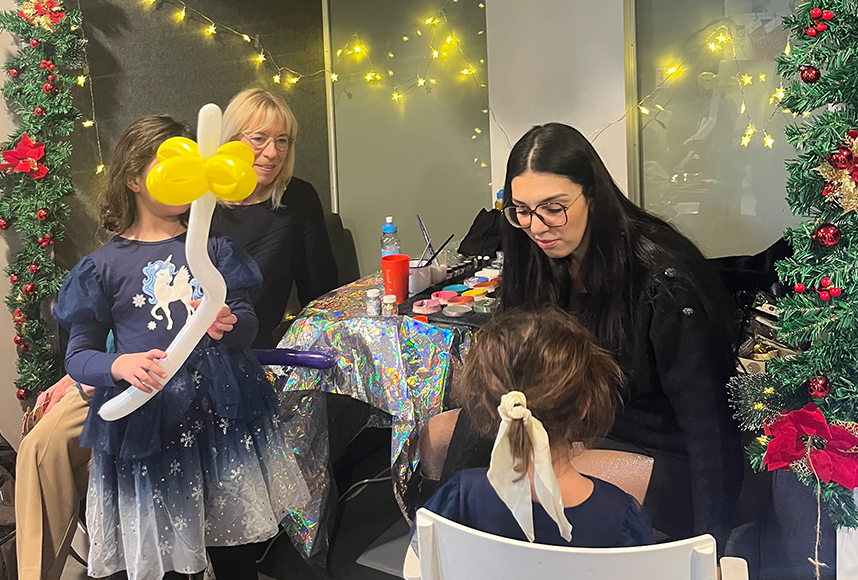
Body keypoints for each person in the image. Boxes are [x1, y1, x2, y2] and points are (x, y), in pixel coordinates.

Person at [442, 123, 743, 549]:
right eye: (521, 210)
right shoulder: (535, 259)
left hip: (661, 453)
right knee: (452, 436)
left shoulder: (663, 282)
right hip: (571, 429)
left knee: (532, 476)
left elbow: (710, 429)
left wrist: (710, 548)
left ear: (593, 195)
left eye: (554, 208)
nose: (537, 227)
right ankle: (454, 550)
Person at [50, 115, 309, 580]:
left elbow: (246, 325)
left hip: (221, 417)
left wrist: (227, 324)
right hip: (150, 424)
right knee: (168, 558)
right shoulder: (101, 267)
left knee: (234, 551)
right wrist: (120, 364)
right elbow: (79, 357)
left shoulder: (216, 249)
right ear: (134, 178)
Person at [418, 306, 653, 548]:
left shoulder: (461, 497)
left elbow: (424, 553)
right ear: (584, 405)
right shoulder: (620, 517)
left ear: (492, 408)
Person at [213, 88, 338, 349]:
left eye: (282, 140)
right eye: (259, 139)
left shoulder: (299, 198)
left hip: (258, 353)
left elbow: (320, 295)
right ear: (230, 140)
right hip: (190, 349)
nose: (272, 153)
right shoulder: (199, 201)